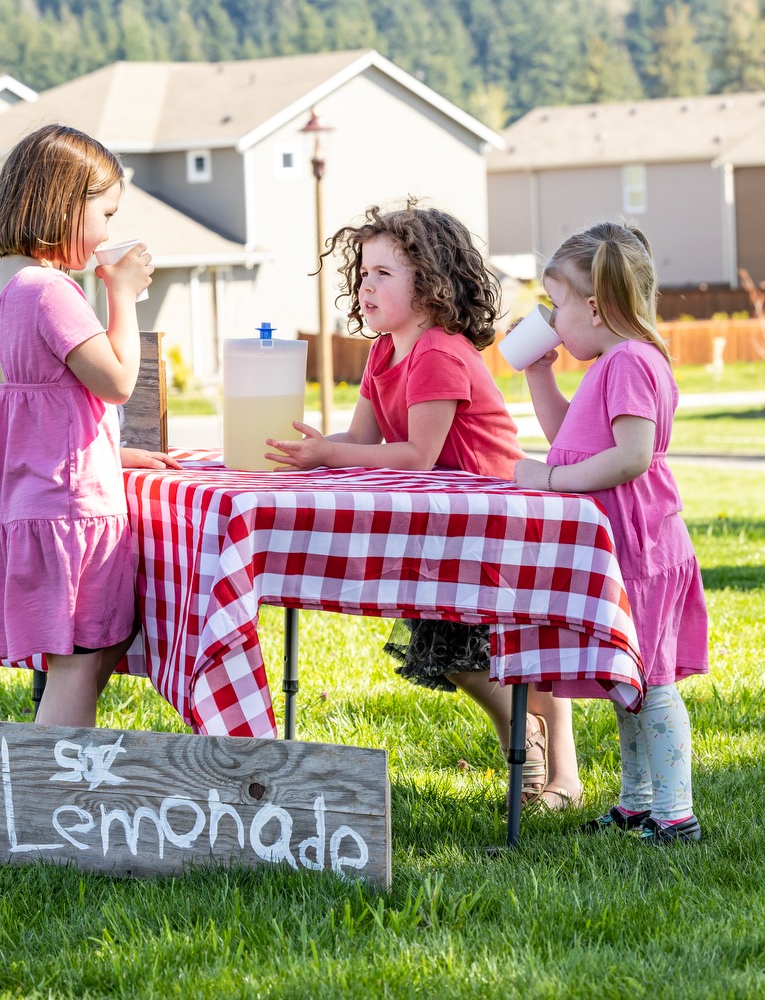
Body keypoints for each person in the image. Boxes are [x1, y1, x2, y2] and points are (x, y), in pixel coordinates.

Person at [266, 200, 578, 807]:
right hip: (442, 522)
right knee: (449, 650)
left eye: (384, 272)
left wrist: (328, 457)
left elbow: (415, 455)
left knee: (515, 649)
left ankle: (560, 770)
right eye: (362, 272)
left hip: (492, 519)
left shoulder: (437, 351)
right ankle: (526, 741)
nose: (365, 284)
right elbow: (361, 442)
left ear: (431, 284)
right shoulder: (385, 352)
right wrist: (316, 447)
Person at [0, 123, 177, 729]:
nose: (106, 230)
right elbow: (118, 381)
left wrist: (112, 455)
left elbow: (38, 406)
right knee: (81, 659)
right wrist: (122, 296)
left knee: (79, 658)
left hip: (28, 499)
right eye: (104, 212)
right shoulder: (50, 291)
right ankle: (52, 802)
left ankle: (40, 791)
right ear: (65, 206)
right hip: (71, 511)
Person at [513, 221, 709, 844]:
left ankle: (675, 814)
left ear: (595, 306)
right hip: (626, 549)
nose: (551, 317)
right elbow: (572, 437)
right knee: (629, 683)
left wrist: (548, 483)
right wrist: (539, 375)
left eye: (558, 303)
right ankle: (637, 802)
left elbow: (631, 456)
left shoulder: (626, 361)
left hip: (641, 550)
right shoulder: (612, 361)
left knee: (649, 684)